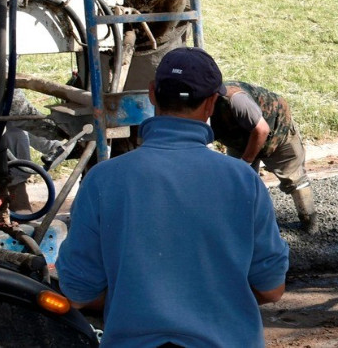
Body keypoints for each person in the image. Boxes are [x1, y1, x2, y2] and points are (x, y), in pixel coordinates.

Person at [58, 47, 289, 347]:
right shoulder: (243, 181)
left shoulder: (102, 181)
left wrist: (137, 302)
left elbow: (78, 291)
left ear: (152, 93)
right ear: (210, 104)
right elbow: (271, 289)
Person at [210, 80, 317, 233]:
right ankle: (247, 226)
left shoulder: (235, 99)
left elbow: (262, 130)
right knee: (239, 183)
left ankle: (309, 220)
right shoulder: (192, 107)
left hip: (276, 128)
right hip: (238, 138)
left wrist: (246, 161)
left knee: (294, 177)